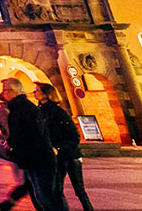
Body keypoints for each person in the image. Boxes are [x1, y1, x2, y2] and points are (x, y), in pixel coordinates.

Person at [0, 78, 62, 211]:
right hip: (31, 158)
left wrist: (13, 142)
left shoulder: (24, 108)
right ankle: (10, 202)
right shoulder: (17, 108)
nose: (3, 93)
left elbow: (34, 133)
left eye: (5, 90)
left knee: (47, 197)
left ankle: (10, 203)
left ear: (14, 92)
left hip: (39, 158)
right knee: (40, 195)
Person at [35, 82, 93, 211]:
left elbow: (74, 136)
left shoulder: (58, 112)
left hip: (70, 156)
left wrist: (59, 148)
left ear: (46, 94)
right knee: (56, 189)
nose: (34, 92)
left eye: (37, 90)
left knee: (79, 189)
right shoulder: (40, 111)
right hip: (56, 157)